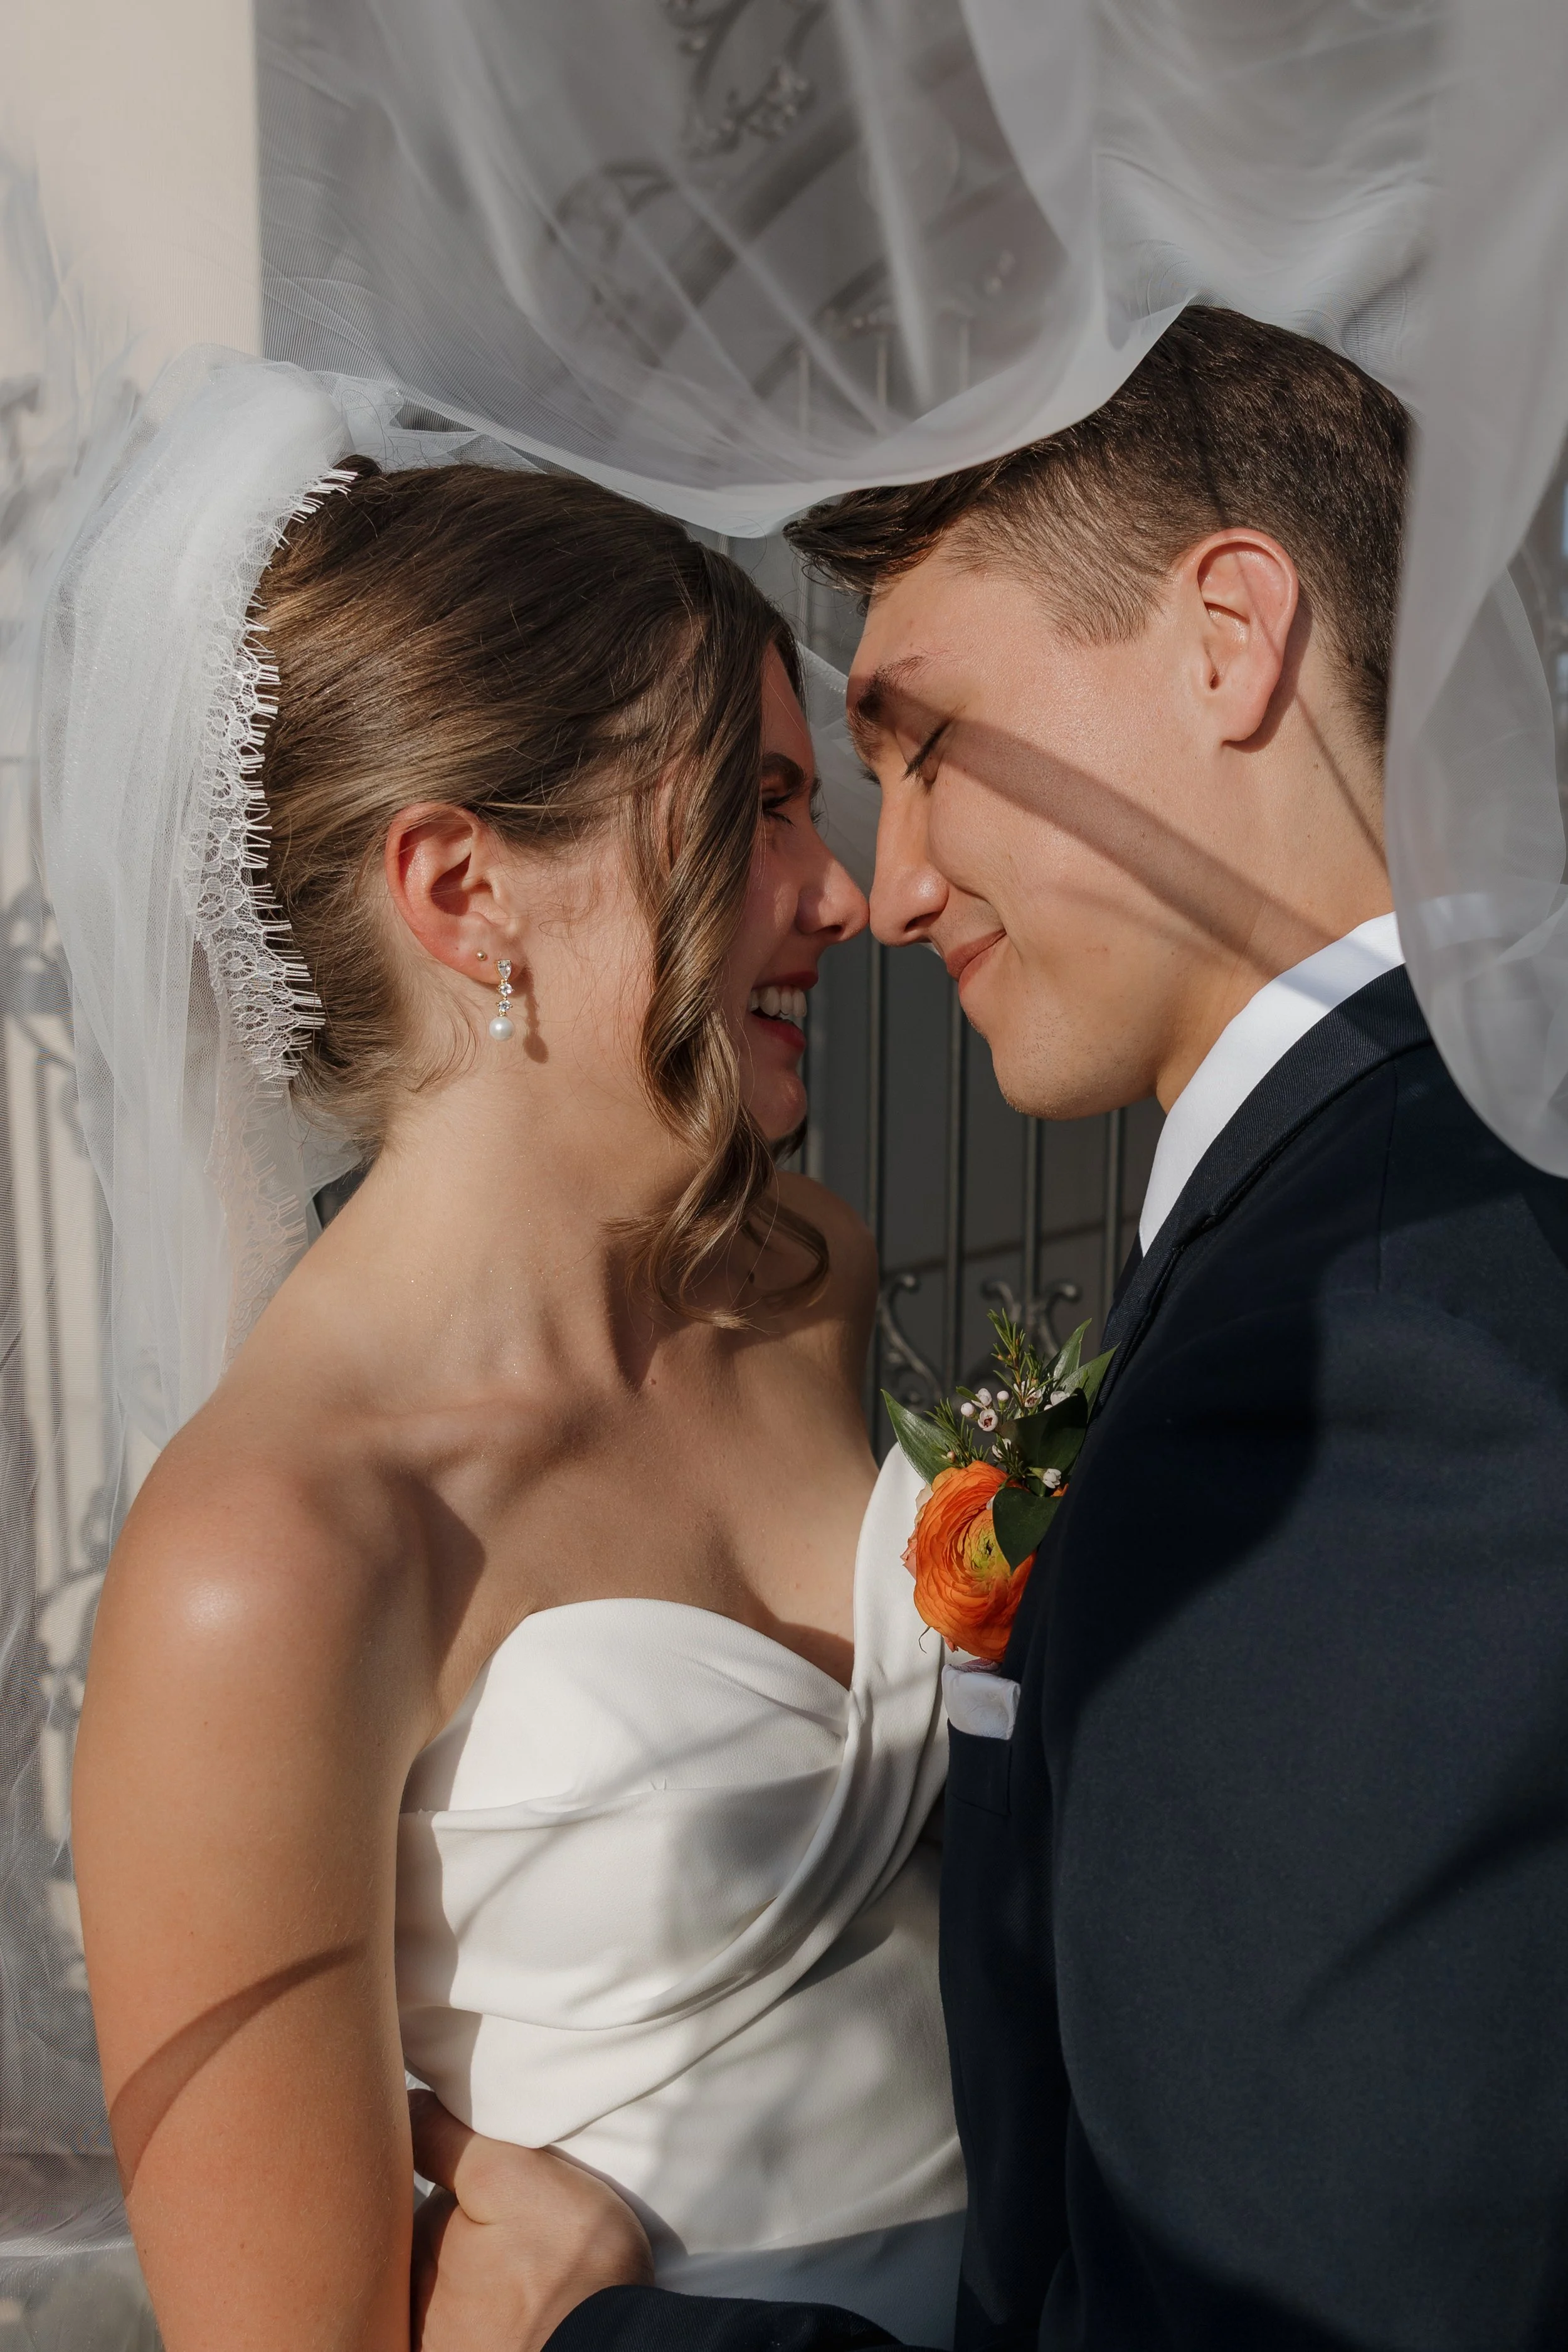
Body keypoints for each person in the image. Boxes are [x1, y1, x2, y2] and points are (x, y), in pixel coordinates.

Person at [511, 307, 1568, 2350]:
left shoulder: (1352, 1382)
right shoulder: (1444, 1185)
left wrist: (585, 2333)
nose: (887, 889)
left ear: (1226, 632)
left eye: (917, 743)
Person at [65, 360, 966, 2352]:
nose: (844, 897)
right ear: (466, 893)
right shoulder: (271, 1554)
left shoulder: (808, 1278)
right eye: (757, 811)